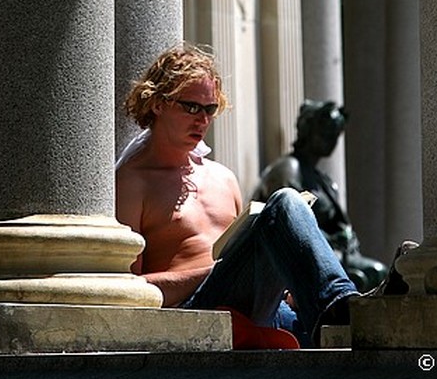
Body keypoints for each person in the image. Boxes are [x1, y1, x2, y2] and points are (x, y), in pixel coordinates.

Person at [115, 43, 361, 347]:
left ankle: (346, 308)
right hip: (199, 310)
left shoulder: (223, 178)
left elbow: (249, 262)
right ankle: (341, 311)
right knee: (284, 201)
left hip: (266, 311)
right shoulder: (132, 182)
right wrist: (209, 273)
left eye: (210, 109)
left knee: (292, 207)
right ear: (157, 103)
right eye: (191, 107)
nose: (202, 120)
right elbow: (124, 290)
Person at [253, 100, 387, 292]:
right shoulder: (289, 169)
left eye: (335, 134)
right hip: (299, 254)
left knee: (382, 275)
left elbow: (338, 224)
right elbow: (283, 217)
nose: (331, 139)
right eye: (325, 133)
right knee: (375, 273)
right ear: (307, 130)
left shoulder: (322, 179)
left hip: (331, 251)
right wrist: (331, 239)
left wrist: (346, 235)